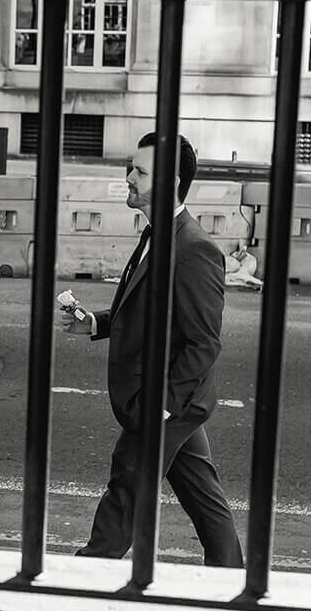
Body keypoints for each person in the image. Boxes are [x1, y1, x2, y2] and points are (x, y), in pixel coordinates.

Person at [61, 132, 243, 567]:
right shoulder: (157, 235)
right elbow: (146, 309)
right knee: (202, 494)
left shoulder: (194, 249)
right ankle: (231, 575)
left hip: (169, 399)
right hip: (180, 401)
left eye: (140, 171)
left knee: (127, 484)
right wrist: (95, 323)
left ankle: (92, 569)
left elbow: (202, 342)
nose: (129, 176)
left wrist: (160, 407)